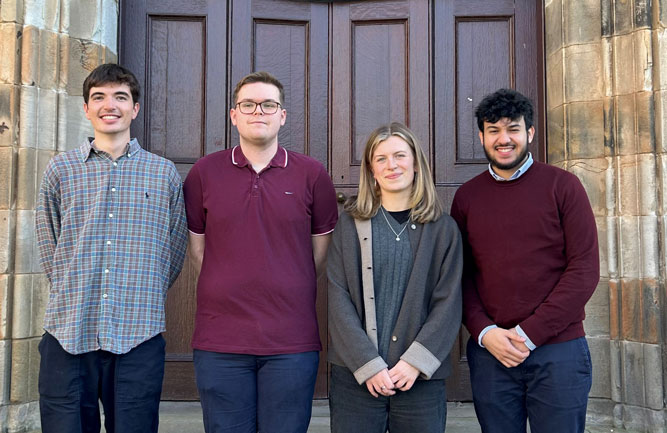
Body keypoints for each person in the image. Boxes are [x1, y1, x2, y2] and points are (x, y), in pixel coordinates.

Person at [35, 63, 188, 433]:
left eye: (121, 97)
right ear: (86, 108)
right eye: (99, 97)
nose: (110, 105)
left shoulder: (163, 172)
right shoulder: (61, 170)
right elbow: (49, 242)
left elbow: (175, 247)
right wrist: (75, 290)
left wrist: (142, 292)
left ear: (135, 108)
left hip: (139, 332)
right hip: (70, 331)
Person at [183, 71, 338, 433]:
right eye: (248, 104)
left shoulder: (312, 174)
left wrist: (284, 280)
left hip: (291, 339)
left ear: (282, 115)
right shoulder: (204, 173)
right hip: (220, 338)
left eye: (268, 104)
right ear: (234, 114)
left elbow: (318, 254)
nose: (259, 112)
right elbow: (198, 252)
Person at [450, 88, 600, 433]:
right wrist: (486, 333)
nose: (504, 139)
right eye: (494, 130)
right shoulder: (467, 197)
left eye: (513, 129)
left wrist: (528, 334)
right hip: (492, 354)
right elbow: (460, 277)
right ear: (481, 136)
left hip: (558, 351)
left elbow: (584, 271)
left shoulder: (563, 186)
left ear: (529, 132)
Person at [327, 122, 463, 433]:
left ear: (416, 163)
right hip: (356, 377)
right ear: (371, 169)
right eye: (381, 158)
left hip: (420, 380)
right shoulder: (349, 226)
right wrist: (368, 364)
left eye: (400, 155)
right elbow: (338, 297)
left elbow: (449, 302)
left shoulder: (443, 230)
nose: (392, 165)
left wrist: (415, 362)